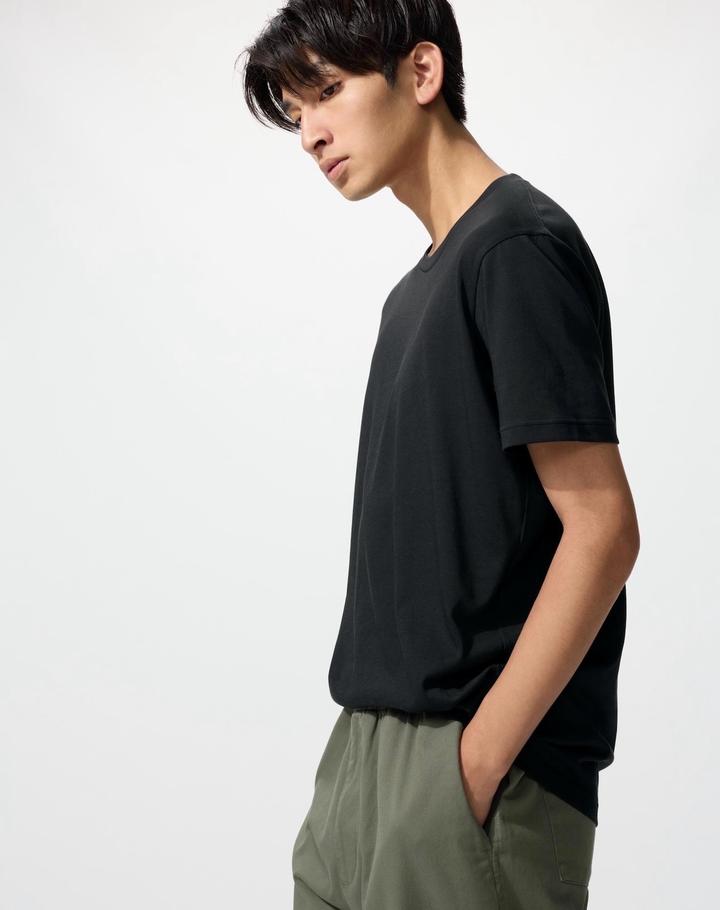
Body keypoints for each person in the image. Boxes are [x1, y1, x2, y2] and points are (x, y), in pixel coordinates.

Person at [239, 2, 640, 908]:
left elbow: (604, 528)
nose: (309, 133)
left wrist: (475, 765)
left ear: (421, 73)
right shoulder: (414, 293)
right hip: (361, 762)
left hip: (472, 774)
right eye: (295, 111)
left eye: (326, 92)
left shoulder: (517, 249)